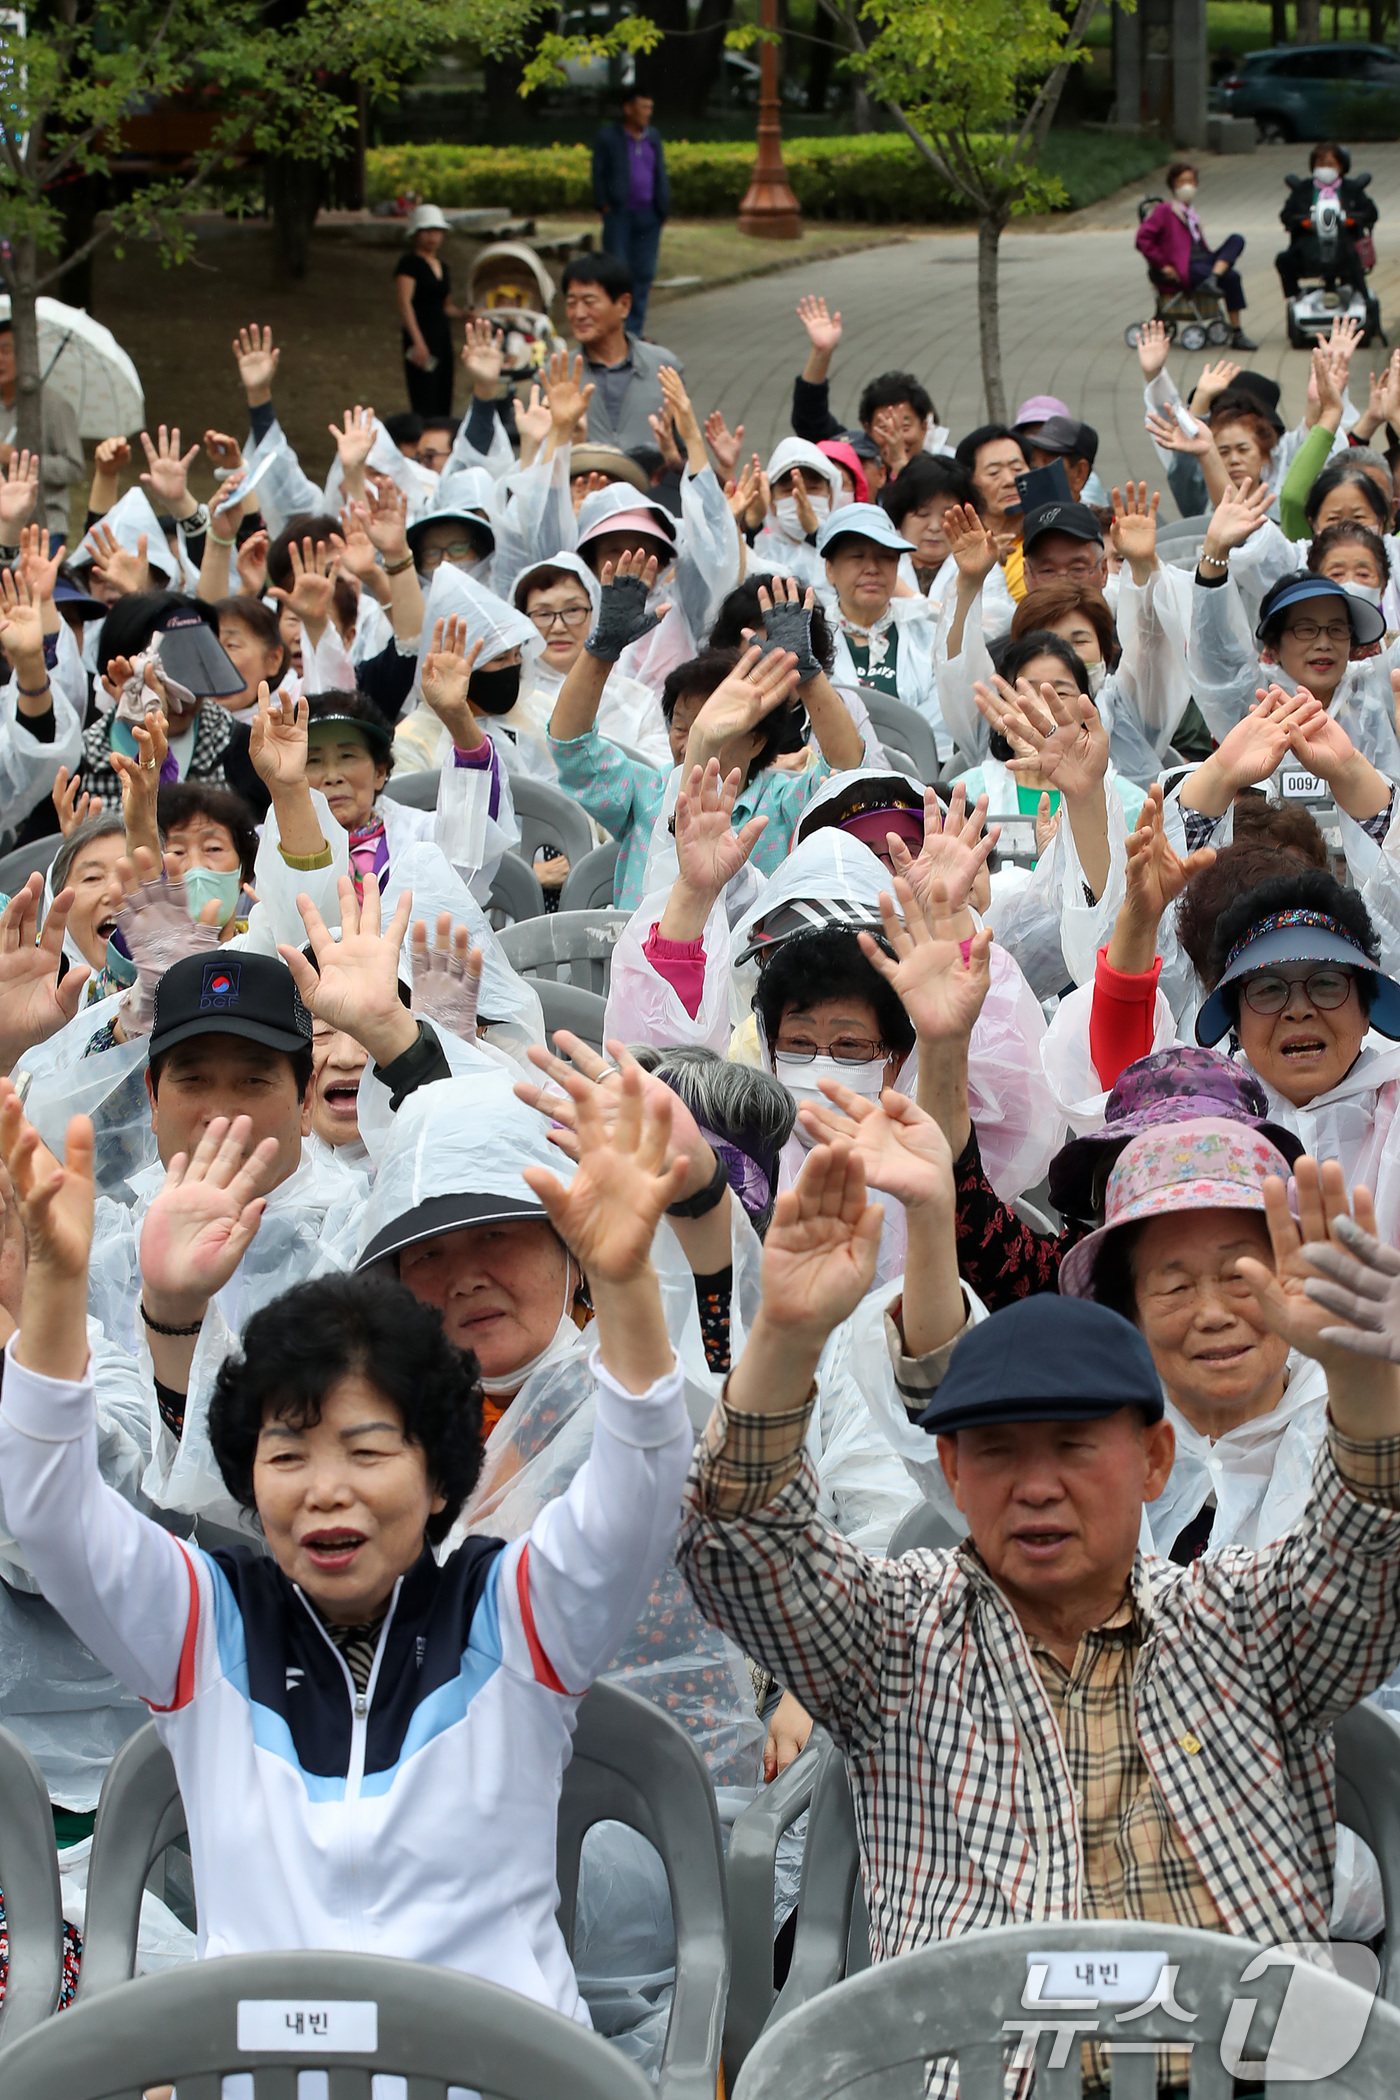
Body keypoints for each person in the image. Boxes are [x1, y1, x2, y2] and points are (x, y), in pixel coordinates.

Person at [676, 1127, 1400, 2068]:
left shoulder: (1245, 1624)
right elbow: (735, 1543)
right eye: (999, 1451)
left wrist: (1359, 1375)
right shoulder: (895, 1637)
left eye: (1072, 1446)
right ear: (950, 1470)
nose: (1037, 1486)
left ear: (1152, 1461)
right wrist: (785, 1334)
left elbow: (1372, 1554)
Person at [0, 1067, 697, 2020]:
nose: (328, 1490)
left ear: (443, 1477)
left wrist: (621, 1285)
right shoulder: (203, 1625)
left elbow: (642, 1487)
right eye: (289, 1453)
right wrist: (53, 1289)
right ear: (251, 1481)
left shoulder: (519, 1613)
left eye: (369, 1451)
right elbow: (48, 1511)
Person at [560, 253, 681, 455]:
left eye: (589, 302)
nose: (579, 314)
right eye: (571, 303)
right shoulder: (557, 375)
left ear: (624, 305)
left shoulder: (664, 368)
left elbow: (685, 451)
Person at [1135, 160, 1254, 351]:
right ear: (1173, 185)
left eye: (1191, 181)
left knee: (1236, 241)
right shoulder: (1165, 210)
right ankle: (1215, 282)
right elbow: (1143, 239)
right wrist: (1163, 264)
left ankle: (1235, 329)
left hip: (1205, 262)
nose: (1187, 185)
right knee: (1231, 277)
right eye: (1182, 181)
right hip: (1186, 266)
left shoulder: (1191, 213)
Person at [593, 91, 670, 341]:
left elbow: (659, 171)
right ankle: (615, 329)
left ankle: (634, 331)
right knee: (617, 271)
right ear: (628, 109)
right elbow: (599, 172)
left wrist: (663, 207)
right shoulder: (609, 137)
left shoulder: (653, 137)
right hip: (620, 214)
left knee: (644, 272)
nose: (648, 112)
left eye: (650, 107)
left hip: (649, 214)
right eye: (643, 107)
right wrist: (603, 204)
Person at [0, 320, 85, 541]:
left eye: (6, 350)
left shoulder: (53, 406)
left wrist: (18, 461)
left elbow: (74, 467)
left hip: (45, 524)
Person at [1277, 141, 1377, 307]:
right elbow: (1286, 215)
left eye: (1330, 164)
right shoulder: (1302, 190)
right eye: (1320, 164)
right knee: (1284, 259)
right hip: (1310, 243)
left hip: (1346, 243)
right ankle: (1296, 296)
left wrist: (1351, 220)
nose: (1325, 168)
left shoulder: (1352, 189)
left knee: (1350, 252)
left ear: (1340, 166)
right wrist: (1303, 222)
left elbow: (1371, 213)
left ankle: (1362, 296)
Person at [395, 204, 464, 419]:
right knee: (424, 395)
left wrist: (464, 315)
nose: (433, 236)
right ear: (417, 233)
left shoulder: (443, 267)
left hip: (441, 336)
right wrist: (418, 341)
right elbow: (405, 303)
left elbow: (446, 306)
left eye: (437, 231)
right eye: (427, 231)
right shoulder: (409, 264)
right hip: (420, 335)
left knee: (443, 392)